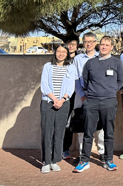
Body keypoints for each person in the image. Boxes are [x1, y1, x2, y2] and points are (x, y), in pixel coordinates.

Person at [74, 36, 123, 173]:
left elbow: (121, 80)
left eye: (107, 45)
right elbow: (84, 81)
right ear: (99, 46)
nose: (104, 47)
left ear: (111, 47)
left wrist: (111, 91)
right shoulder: (90, 63)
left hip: (109, 101)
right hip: (92, 101)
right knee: (88, 132)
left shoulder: (116, 62)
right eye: (102, 44)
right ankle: (84, 160)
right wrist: (92, 93)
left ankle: (108, 160)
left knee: (108, 131)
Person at [39, 45, 76, 173]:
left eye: (64, 52)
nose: (61, 54)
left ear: (67, 54)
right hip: (48, 103)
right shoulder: (48, 66)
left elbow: (70, 87)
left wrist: (62, 100)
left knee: (59, 133)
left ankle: (55, 160)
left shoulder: (70, 68)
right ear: (55, 52)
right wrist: (54, 99)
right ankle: (46, 161)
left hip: (63, 104)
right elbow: (44, 85)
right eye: (59, 51)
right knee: (47, 133)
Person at [70, 33, 104, 162]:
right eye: (86, 42)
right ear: (83, 43)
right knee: (81, 125)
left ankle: (102, 151)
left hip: (98, 96)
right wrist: (82, 95)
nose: (88, 44)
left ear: (96, 43)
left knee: (100, 125)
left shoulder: (101, 57)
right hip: (81, 95)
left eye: (91, 41)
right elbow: (75, 78)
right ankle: (83, 153)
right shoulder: (78, 59)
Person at [62, 38, 79, 159]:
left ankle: (66, 148)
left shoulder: (79, 60)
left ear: (77, 47)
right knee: (62, 122)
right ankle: (61, 149)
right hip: (63, 96)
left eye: (73, 45)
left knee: (70, 123)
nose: (71, 47)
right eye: (69, 44)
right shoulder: (61, 60)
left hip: (75, 95)